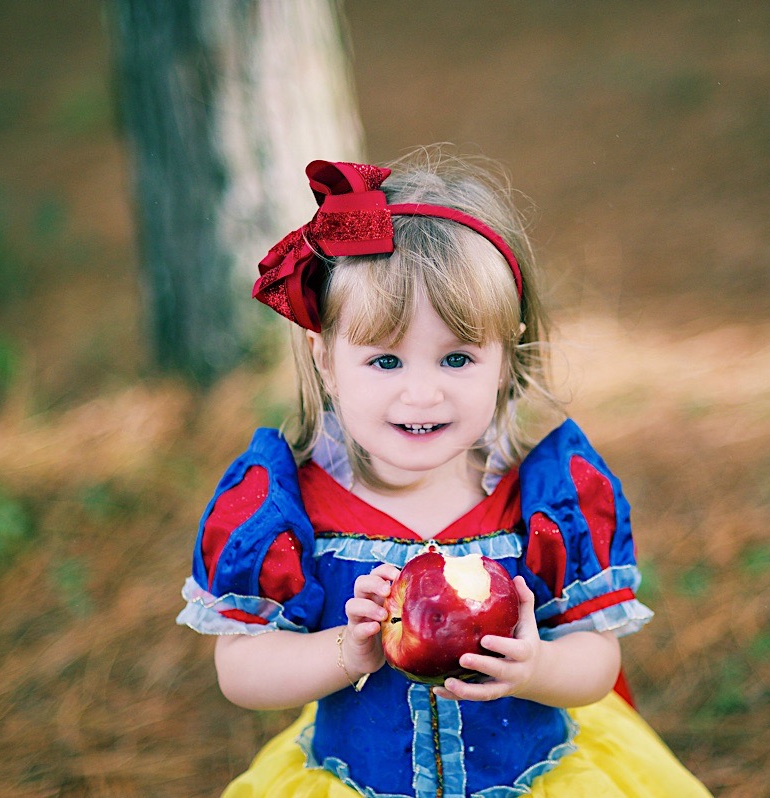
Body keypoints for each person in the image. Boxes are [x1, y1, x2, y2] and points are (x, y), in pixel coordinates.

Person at [177, 150, 711, 797]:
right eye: (385, 362)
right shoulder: (292, 508)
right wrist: (349, 650)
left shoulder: (542, 500)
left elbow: (599, 662)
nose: (423, 394)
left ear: (505, 354)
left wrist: (537, 666)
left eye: (457, 359)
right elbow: (240, 671)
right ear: (324, 360)